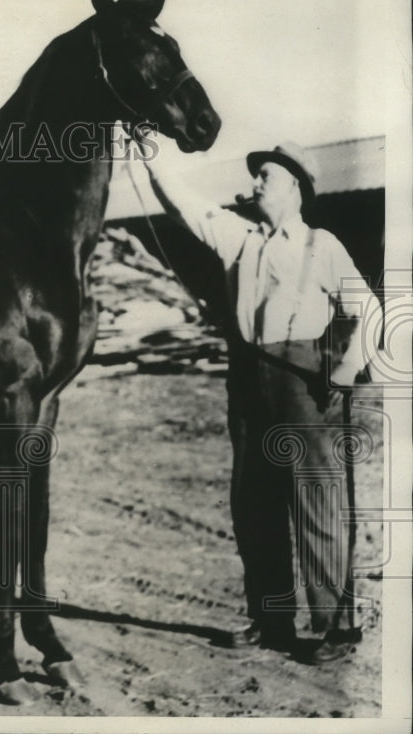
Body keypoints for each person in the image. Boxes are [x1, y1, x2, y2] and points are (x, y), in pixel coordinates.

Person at [140, 137, 383, 664]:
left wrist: (346, 368)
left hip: (303, 381)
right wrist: (149, 152)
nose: (254, 185)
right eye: (256, 176)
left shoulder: (322, 245)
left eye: (265, 176)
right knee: (254, 502)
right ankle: (269, 618)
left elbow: (370, 310)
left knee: (316, 503)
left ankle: (335, 628)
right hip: (248, 378)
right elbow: (182, 201)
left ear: (295, 187)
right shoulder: (239, 238)